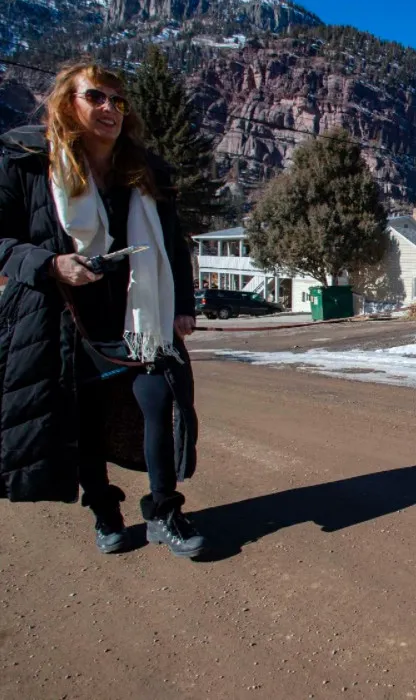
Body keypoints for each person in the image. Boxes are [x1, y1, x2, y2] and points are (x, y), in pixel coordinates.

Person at [0, 61, 205, 558]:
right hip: (63, 317)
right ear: (68, 103)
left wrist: (181, 304)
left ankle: (163, 510)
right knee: (83, 417)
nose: (110, 108)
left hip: (140, 316)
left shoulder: (146, 171)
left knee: (157, 403)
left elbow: (173, 246)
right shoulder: (28, 162)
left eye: (118, 100)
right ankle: (104, 510)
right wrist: (50, 264)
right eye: (97, 97)